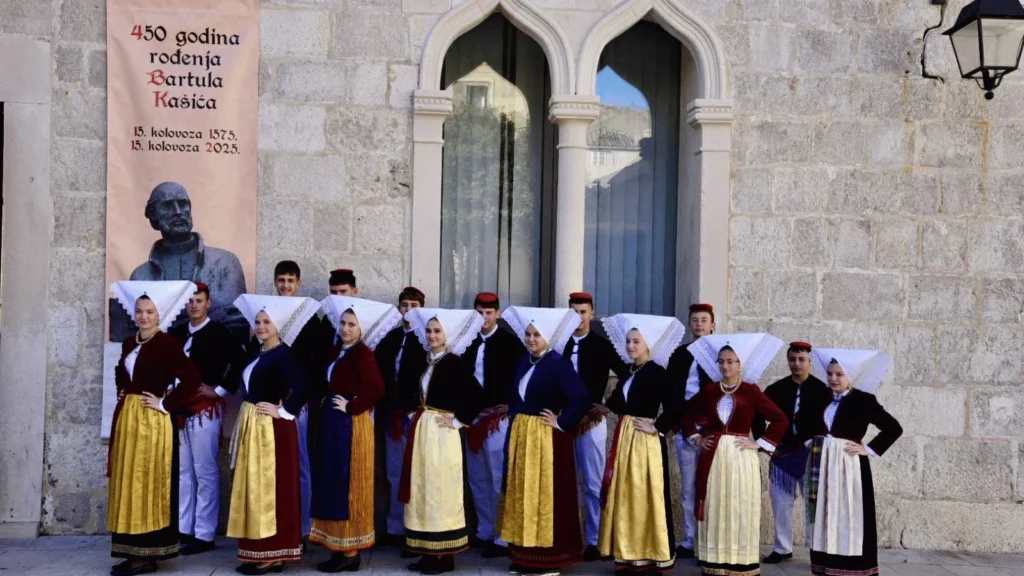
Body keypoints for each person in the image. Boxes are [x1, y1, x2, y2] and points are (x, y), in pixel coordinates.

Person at [107, 280, 203, 576]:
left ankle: (146, 556)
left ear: (159, 314)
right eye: (139, 311)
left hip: (152, 424)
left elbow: (192, 380)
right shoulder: (129, 342)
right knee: (127, 482)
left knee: (146, 483)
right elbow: (121, 372)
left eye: (149, 311)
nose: (143, 316)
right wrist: (124, 390)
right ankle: (129, 550)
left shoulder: (167, 344)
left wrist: (165, 404)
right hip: (129, 421)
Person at [220, 294, 319, 575]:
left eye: (267, 322)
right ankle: (259, 549)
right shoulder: (257, 352)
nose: (261, 326)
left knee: (271, 488)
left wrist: (284, 411)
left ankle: (273, 553)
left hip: (271, 429)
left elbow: (303, 387)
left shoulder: (284, 354)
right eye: (258, 321)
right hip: (254, 425)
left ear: (278, 325)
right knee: (255, 486)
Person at [682, 333, 789, 576]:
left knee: (739, 505)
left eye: (731, 361)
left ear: (741, 364)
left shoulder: (751, 391)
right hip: (714, 457)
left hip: (741, 458)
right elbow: (687, 415)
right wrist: (697, 437)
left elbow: (780, 419)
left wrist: (760, 443)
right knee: (715, 504)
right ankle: (714, 559)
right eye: (721, 361)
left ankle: (740, 561)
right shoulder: (709, 391)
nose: (725, 366)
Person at [498, 306, 591, 576]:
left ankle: (547, 559)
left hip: (545, 439)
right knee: (523, 492)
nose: (530, 339)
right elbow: (517, 395)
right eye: (528, 334)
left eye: (536, 335)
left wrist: (561, 422)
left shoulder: (557, 363)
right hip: (524, 435)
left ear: (548, 336)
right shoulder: (524, 360)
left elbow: (581, 398)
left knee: (544, 496)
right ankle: (525, 554)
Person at [310, 296, 398, 572]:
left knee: (347, 482)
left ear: (362, 329)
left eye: (351, 325)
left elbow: (376, 388)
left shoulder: (363, 353)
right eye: (343, 323)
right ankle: (338, 546)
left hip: (350, 424)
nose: (346, 328)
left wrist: (352, 406)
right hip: (334, 423)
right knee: (334, 481)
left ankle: (350, 553)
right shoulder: (340, 350)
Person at [598, 313, 687, 574]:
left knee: (645, 493)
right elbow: (616, 401)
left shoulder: (658, 372)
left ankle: (650, 552)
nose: (630, 346)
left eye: (636, 341)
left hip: (644, 440)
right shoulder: (629, 370)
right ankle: (628, 552)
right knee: (625, 494)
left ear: (648, 344)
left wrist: (656, 426)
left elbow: (675, 407)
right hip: (625, 438)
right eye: (628, 341)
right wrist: (600, 408)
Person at [800, 348, 902, 576]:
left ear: (850, 377)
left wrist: (868, 449)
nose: (833, 379)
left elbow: (893, 428)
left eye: (839, 374)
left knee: (849, 512)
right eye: (830, 374)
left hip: (850, 465)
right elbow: (801, 420)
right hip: (822, 463)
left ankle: (852, 567)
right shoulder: (819, 396)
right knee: (824, 512)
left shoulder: (864, 400)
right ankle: (824, 563)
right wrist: (810, 441)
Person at [400, 307, 485, 574]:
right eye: (428, 330)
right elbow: (411, 389)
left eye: (437, 331)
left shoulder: (454, 362)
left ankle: (444, 554)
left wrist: (458, 420)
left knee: (441, 490)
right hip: (423, 432)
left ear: (447, 335)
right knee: (423, 488)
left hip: (442, 434)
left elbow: (477, 395)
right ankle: (427, 551)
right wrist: (413, 410)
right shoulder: (425, 360)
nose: (432, 335)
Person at [113, 182, 247, 341]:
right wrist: (204, 317)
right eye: (168, 206)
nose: (178, 212)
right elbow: (136, 333)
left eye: (183, 204)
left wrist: (168, 323)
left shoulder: (225, 262)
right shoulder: (141, 276)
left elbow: (238, 322)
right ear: (153, 216)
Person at [168, 282, 243, 556]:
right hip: (180, 409)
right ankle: (184, 529)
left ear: (208, 303)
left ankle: (204, 533)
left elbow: (240, 361)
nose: (194, 306)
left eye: (199, 301)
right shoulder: (176, 333)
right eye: (190, 301)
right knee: (185, 471)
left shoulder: (220, 333)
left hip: (204, 409)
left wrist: (220, 390)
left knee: (205, 470)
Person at [752, 341, 830, 565]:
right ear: (788, 360)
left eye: (801, 359)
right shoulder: (776, 389)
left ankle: (818, 550)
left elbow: (830, 420)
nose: (796, 364)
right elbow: (757, 414)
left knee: (814, 505)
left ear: (810, 361)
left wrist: (820, 444)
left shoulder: (822, 390)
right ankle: (782, 547)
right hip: (782, 455)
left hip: (811, 456)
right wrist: (766, 443)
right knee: (780, 503)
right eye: (792, 359)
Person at [462, 292, 527, 557]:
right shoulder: (466, 342)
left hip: (498, 419)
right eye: (480, 312)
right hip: (472, 418)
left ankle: (502, 536)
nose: (484, 318)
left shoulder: (512, 344)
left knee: (497, 477)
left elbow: (522, 379)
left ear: (497, 313)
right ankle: (485, 530)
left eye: (489, 313)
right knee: (477, 477)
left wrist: (511, 407)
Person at [563, 292, 627, 561]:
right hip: (563, 420)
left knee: (592, 482)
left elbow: (628, 374)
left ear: (592, 313)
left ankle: (595, 539)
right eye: (574, 312)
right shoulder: (559, 344)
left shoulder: (602, 345)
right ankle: (568, 538)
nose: (579, 317)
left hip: (591, 419)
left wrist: (609, 405)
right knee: (566, 482)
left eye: (583, 312)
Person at [373, 287, 427, 550]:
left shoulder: (428, 339)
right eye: (404, 305)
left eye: (414, 305)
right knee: (394, 472)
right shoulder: (391, 337)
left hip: (415, 414)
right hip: (392, 414)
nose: (408, 310)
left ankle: (416, 531)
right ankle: (395, 528)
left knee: (415, 473)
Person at [273, 260, 321, 543]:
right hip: (270, 401)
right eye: (281, 280)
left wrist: (300, 392)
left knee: (300, 461)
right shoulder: (265, 311)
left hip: (297, 401)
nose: (286, 285)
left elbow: (314, 362)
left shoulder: (308, 316)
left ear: (299, 283)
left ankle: (303, 527)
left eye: (291, 280)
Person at [665, 302, 716, 558]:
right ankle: (689, 539)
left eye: (703, 320)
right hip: (685, 427)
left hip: (710, 432)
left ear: (712, 325)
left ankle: (708, 539)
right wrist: (677, 422)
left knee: (709, 486)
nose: (699, 324)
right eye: (695, 320)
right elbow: (671, 390)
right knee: (687, 486)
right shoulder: (680, 354)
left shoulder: (720, 354)